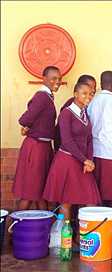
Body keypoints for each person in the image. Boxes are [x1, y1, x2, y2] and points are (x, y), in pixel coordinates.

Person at [43, 82, 101, 219]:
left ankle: (84, 237)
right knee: (66, 202)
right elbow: (67, 141)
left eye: (91, 94)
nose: (89, 96)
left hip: (83, 163)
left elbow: (89, 140)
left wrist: (90, 160)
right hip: (67, 161)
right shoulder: (66, 114)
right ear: (75, 94)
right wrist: (85, 160)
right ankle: (66, 238)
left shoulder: (85, 114)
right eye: (84, 93)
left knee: (90, 200)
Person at [12, 66, 62, 210]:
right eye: (53, 78)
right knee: (30, 191)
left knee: (39, 191)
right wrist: (27, 126)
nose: (57, 82)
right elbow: (25, 119)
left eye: (59, 79)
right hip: (35, 148)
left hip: (43, 147)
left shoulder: (47, 97)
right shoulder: (41, 96)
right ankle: (13, 230)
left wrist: (30, 127)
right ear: (44, 78)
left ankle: (42, 227)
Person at [87, 71, 112, 207]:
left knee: (96, 191)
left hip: (94, 152)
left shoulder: (92, 101)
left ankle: (96, 222)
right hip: (111, 152)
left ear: (100, 83)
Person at [54, 75, 97, 151]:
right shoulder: (70, 106)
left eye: (94, 87)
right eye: (89, 86)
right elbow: (64, 135)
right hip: (67, 151)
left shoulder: (85, 105)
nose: (92, 90)